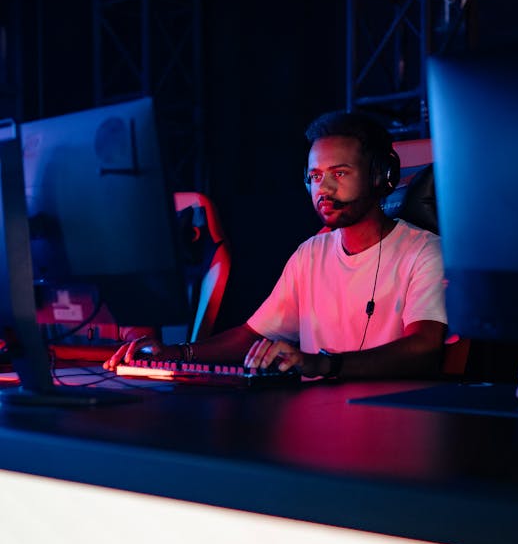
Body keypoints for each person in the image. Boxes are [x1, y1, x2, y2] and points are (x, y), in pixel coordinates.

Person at [104, 110, 448, 380]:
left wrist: (323, 365)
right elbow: (252, 336)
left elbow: (425, 347)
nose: (324, 189)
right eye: (315, 176)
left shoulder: (424, 252)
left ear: (380, 176)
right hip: (319, 422)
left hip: (392, 421)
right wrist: (176, 354)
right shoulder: (310, 254)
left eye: (340, 173)